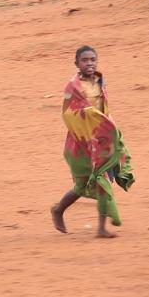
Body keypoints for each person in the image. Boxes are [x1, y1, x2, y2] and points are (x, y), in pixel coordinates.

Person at [51, 45, 134, 238]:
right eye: (85, 60)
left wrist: (111, 130)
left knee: (102, 179)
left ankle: (101, 227)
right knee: (82, 184)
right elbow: (68, 113)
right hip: (81, 142)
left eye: (93, 60)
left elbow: (104, 110)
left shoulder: (100, 82)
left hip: (101, 140)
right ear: (76, 64)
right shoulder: (73, 87)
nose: (89, 63)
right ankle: (58, 210)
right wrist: (88, 116)